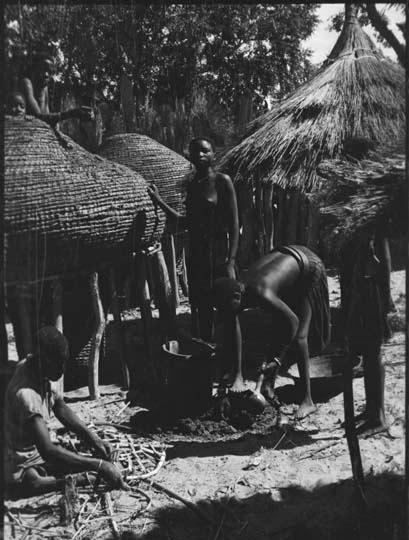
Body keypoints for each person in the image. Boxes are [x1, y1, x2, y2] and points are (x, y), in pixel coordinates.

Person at [4, 326, 128, 497]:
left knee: (72, 459)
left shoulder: (35, 367)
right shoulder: (27, 396)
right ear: (43, 360)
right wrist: (98, 466)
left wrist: (94, 439)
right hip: (20, 461)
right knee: (33, 480)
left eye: (64, 362)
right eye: (58, 363)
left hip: (35, 451)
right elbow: (47, 450)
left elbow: (60, 407)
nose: (62, 369)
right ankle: (78, 479)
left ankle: (84, 474)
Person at [212, 245, 330, 420]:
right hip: (289, 260)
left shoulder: (260, 292)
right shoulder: (235, 292)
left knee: (299, 337)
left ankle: (307, 401)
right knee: (278, 327)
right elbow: (231, 335)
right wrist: (227, 383)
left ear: (237, 297)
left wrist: (277, 359)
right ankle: (267, 387)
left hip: (309, 268)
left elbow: (293, 321)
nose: (228, 314)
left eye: (228, 309)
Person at [147, 137, 240, 340]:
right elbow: (185, 222)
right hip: (197, 255)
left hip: (219, 254)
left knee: (228, 308)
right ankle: (207, 354)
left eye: (205, 151)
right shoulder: (192, 186)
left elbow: (234, 225)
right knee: (202, 307)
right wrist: (159, 201)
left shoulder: (223, 181)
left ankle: (233, 364)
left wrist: (231, 261)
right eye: (195, 151)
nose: (200, 155)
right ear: (189, 156)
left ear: (214, 154)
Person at [339, 229, 391, 437]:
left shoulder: (375, 226)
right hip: (360, 291)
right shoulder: (357, 229)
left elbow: (383, 263)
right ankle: (371, 410)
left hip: (372, 293)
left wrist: (385, 303)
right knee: (367, 352)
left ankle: (378, 417)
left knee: (373, 351)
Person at [19, 52, 92, 126]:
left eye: (49, 72)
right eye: (43, 69)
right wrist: (72, 113)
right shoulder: (26, 83)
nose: (46, 75)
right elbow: (38, 117)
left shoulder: (45, 89)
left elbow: (46, 117)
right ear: (35, 68)